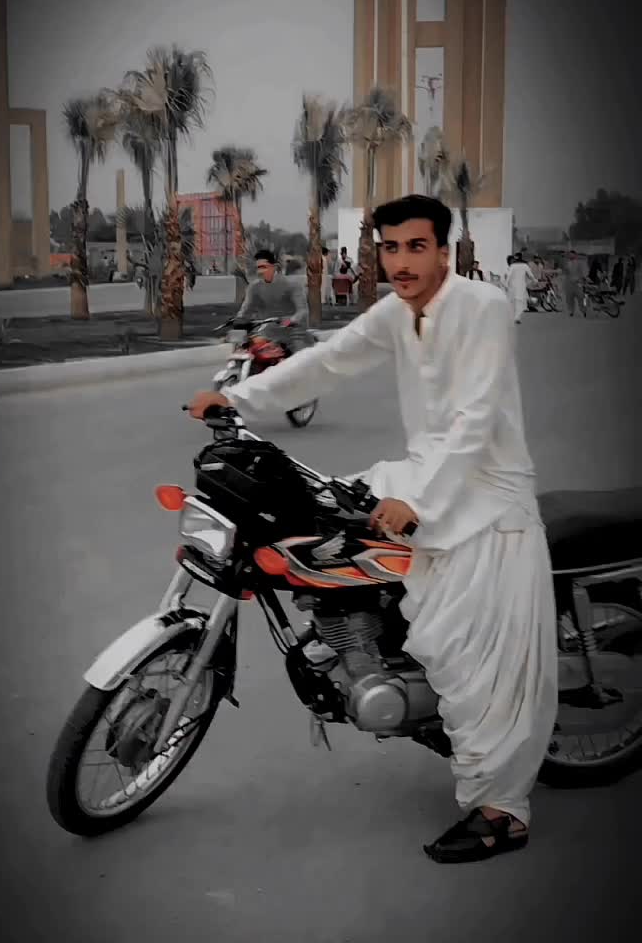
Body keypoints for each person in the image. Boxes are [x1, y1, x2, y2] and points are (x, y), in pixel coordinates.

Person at [187, 195, 558, 864]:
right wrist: (237, 398)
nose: (402, 262)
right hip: (421, 478)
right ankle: (365, 655)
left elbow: (475, 418)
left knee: (470, 660)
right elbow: (327, 361)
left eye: (417, 247)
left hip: (485, 497)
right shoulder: (397, 312)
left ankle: (503, 811)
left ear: (444, 250)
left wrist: (421, 500)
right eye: (390, 249)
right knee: (319, 525)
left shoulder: (482, 307)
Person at [234, 249, 310, 353]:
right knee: (248, 350)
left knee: (298, 358)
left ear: (275, 267)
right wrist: (239, 320)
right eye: (258, 268)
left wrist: (291, 320)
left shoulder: (292, 285)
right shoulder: (254, 287)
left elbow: (302, 310)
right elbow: (246, 309)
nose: (260, 271)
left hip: (292, 334)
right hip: (266, 334)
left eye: (263, 267)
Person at [506, 252, 535, 323]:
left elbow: (509, 276)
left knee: (513, 302)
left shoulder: (513, 266)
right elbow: (530, 275)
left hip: (512, 287)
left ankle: (513, 317)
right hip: (521, 286)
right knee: (520, 302)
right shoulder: (525, 265)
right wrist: (534, 280)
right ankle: (517, 317)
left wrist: (506, 284)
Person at [563, 250, 588, 316]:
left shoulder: (579, 263)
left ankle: (584, 310)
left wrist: (583, 279)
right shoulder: (567, 263)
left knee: (581, 297)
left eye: (572, 254)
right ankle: (571, 311)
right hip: (569, 283)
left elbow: (583, 272)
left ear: (575, 255)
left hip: (578, 283)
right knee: (569, 298)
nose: (571, 256)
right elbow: (565, 272)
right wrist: (565, 270)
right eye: (570, 255)